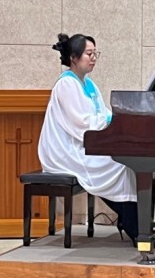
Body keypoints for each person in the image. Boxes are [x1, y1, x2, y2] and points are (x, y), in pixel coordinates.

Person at [38, 33, 138, 245]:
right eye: (88, 54)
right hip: (65, 151)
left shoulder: (88, 83)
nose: (93, 58)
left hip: (81, 144)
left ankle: (134, 223)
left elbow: (102, 113)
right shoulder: (66, 84)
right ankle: (134, 226)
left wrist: (119, 119)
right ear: (73, 58)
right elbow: (83, 123)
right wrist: (111, 122)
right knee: (121, 163)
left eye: (95, 54)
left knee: (127, 161)